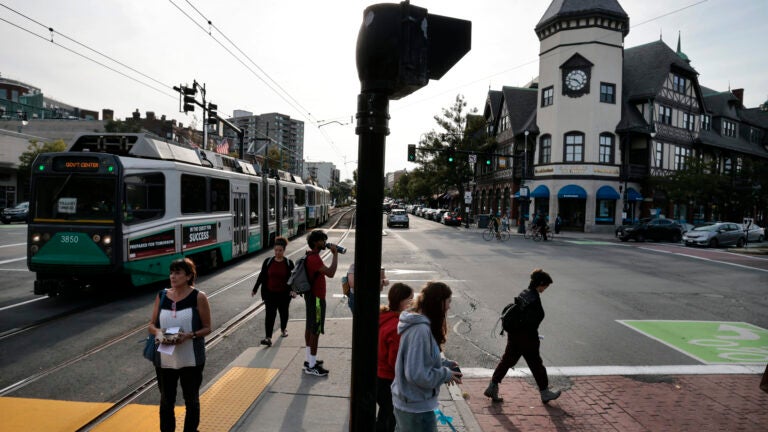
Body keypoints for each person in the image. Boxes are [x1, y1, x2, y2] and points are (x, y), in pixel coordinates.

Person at [148, 258, 212, 432]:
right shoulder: (161, 296)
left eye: (177, 273)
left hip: (191, 359)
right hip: (165, 359)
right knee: (166, 401)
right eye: (171, 272)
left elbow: (207, 328)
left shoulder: (199, 297)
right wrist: (160, 333)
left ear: (189, 276)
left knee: (191, 400)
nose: (172, 276)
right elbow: (151, 325)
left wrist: (189, 335)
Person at [391, 282, 462, 432]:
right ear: (439, 303)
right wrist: (445, 374)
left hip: (414, 405)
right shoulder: (421, 330)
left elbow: (421, 359)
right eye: (448, 301)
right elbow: (417, 374)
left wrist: (443, 363)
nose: (449, 306)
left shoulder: (422, 327)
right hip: (414, 408)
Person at [484, 269, 561, 404]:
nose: (545, 289)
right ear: (540, 284)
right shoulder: (534, 298)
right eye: (546, 286)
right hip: (527, 338)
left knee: (507, 361)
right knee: (536, 365)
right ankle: (545, 393)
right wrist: (533, 337)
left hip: (514, 335)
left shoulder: (524, 293)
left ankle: (492, 386)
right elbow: (532, 320)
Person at [377, 283, 415, 432]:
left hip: (378, 376)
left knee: (384, 414)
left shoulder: (383, 317)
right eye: (410, 300)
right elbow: (395, 361)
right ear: (401, 301)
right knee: (390, 419)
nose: (413, 303)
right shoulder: (396, 326)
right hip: (388, 379)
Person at [302, 229, 338, 376]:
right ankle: (311, 366)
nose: (325, 242)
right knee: (315, 331)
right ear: (316, 242)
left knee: (310, 329)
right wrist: (335, 255)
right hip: (316, 299)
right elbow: (331, 273)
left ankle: (309, 360)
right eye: (323, 240)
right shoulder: (314, 259)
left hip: (311, 297)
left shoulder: (310, 256)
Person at [251, 236, 295, 347]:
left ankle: (283, 329)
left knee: (283, 313)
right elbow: (262, 276)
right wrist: (255, 288)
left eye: (280, 250)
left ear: (284, 251)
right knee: (270, 315)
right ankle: (268, 337)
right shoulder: (268, 262)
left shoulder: (289, 263)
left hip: (284, 294)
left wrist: (294, 291)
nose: (278, 252)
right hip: (270, 294)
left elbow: (293, 279)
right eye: (276, 250)